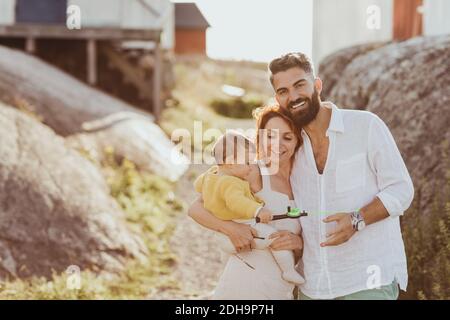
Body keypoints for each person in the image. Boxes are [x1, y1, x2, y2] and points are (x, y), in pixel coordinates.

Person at [266, 52, 414, 300]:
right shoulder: (290, 148)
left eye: (299, 85)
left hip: (367, 280)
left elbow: (401, 189)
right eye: (283, 91)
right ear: (277, 98)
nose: (293, 97)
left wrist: (358, 219)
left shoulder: (365, 126)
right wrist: (296, 239)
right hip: (313, 286)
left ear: (317, 85)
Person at [188, 106, 304, 299]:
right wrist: (230, 228)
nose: (277, 144)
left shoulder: (305, 182)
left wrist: (298, 243)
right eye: (270, 136)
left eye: (287, 137)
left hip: (282, 290)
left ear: (297, 141)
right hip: (244, 284)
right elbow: (195, 209)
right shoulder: (247, 170)